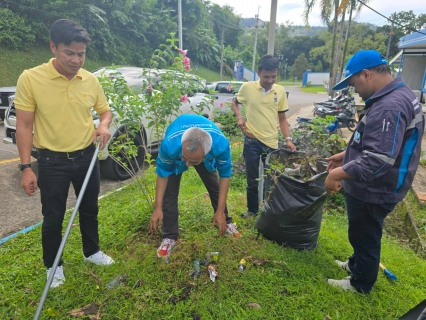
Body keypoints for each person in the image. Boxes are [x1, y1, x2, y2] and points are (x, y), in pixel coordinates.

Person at [15, 19, 114, 288]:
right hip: (51, 160)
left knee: (90, 208)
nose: (75, 60)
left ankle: (91, 252)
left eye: (80, 54)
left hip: (86, 156)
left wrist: (103, 125)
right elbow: (23, 125)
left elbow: (105, 111)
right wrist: (26, 167)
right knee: (53, 216)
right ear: (53, 47)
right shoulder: (31, 78)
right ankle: (53, 266)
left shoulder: (90, 80)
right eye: (69, 53)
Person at [325, 50, 425, 293]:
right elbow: (380, 143)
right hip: (382, 184)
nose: (355, 90)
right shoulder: (400, 95)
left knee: (365, 236)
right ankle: (355, 264)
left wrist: (336, 174)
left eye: (353, 83)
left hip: (376, 187)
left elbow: (379, 159)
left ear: (366, 74)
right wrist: (345, 156)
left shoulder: (389, 106)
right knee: (361, 231)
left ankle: (360, 284)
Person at [148, 114, 240, 259]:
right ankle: (169, 237)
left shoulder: (220, 145)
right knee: (169, 193)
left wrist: (220, 210)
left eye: (194, 162)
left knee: (214, 186)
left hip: (200, 150)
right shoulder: (170, 145)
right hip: (177, 150)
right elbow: (162, 174)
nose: (188, 165)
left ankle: (225, 220)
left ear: (207, 155)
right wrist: (157, 208)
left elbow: (225, 175)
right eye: (185, 159)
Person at [231, 54, 296, 218]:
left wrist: (288, 139)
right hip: (251, 141)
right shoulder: (247, 88)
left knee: (271, 180)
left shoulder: (280, 91)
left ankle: (270, 212)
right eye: (266, 76)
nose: (270, 80)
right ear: (258, 73)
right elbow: (234, 102)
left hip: (271, 143)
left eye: (273, 76)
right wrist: (240, 116)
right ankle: (252, 211)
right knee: (252, 181)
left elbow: (282, 118)